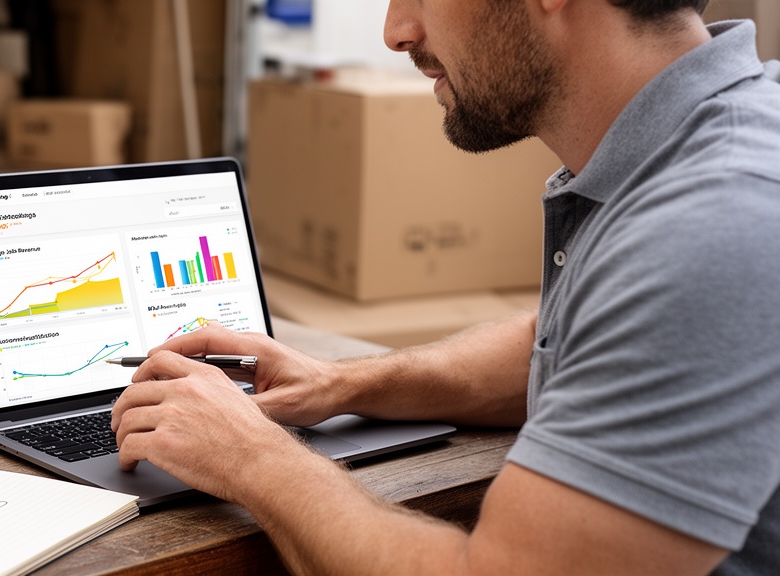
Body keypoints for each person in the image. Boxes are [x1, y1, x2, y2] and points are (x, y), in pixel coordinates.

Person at [111, 0, 780, 573]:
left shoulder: (715, 223)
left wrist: (251, 458)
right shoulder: (711, 144)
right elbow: (568, 344)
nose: (396, 31)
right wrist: (341, 384)